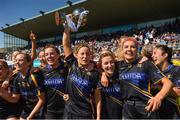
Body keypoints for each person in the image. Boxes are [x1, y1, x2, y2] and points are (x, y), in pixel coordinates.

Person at [101, 37, 173, 119]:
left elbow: (168, 83)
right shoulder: (118, 65)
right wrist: (103, 74)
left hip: (146, 107)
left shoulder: (146, 64)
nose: (129, 49)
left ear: (137, 49)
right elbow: (101, 67)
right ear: (122, 49)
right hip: (128, 109)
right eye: (126, 47)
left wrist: (158, 98)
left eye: (133, 47)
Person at [62, 28, 101, 119]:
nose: (85, 56)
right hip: (69, 111)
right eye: (82, 54)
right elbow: (66, 44)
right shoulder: (72, 64)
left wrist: (98, 117)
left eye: (87, 54)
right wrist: (67, 27)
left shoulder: (95, 73)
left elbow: (97, 96)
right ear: (76, 55)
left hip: (85, 114)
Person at [0, 52, 45, 119]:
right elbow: (15, 99)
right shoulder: (17, 78)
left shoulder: (35, 76)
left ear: (28, 63)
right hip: (26, 109)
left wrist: (30, 117)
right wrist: (1, 91)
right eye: (16, 60)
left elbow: (42, 100)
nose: (17, 62)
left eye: (20, 60)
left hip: (39, 110)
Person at [152, 44, 180, 119]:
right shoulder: (153, 72)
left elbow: (178, 92)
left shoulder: (176, 70)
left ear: (165, 55)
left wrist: (157, 87)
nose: (152, 56)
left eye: (155, 53)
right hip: (155, 114)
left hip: (172, 114)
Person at [42, 44, 68, 119]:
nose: (49, 56)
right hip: (50, 111)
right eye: (46, 54)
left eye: (52, 53)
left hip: (66, 109)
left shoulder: (67, 68)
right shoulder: (42, 71)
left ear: (58, 55)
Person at [98, 50, 123, 119]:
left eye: (111, 62)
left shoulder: (121, 75)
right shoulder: (97, 78)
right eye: (106, 63)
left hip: (121, 116)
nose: (110, 65)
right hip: (104, 117)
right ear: (101, 66)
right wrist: (102, 74)